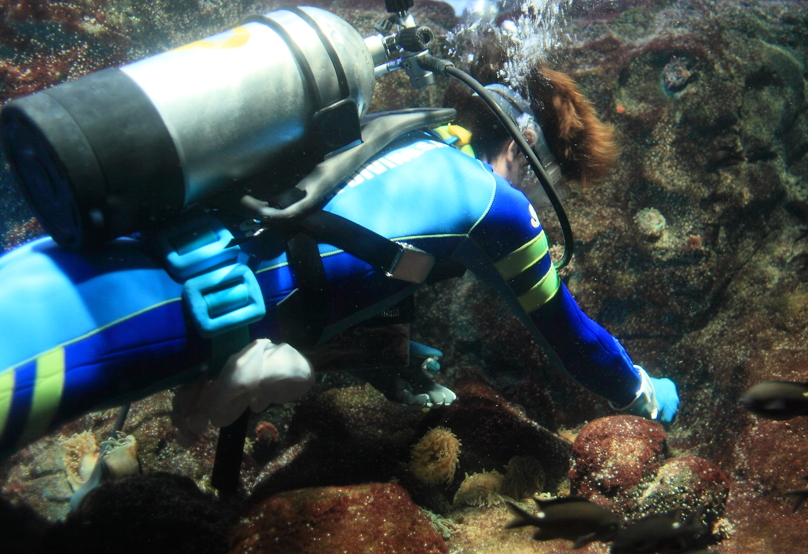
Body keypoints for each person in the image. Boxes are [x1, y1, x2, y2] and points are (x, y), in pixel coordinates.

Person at [0, 46, 679, 459]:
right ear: (524, 148)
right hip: (168, 315)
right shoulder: (499, 207)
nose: (541, 191)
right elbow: (574, 339)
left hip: (133, 259)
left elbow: (339, 251)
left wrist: (391, 353)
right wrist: (642, 390)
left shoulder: (397, 139)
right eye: (549, 174)